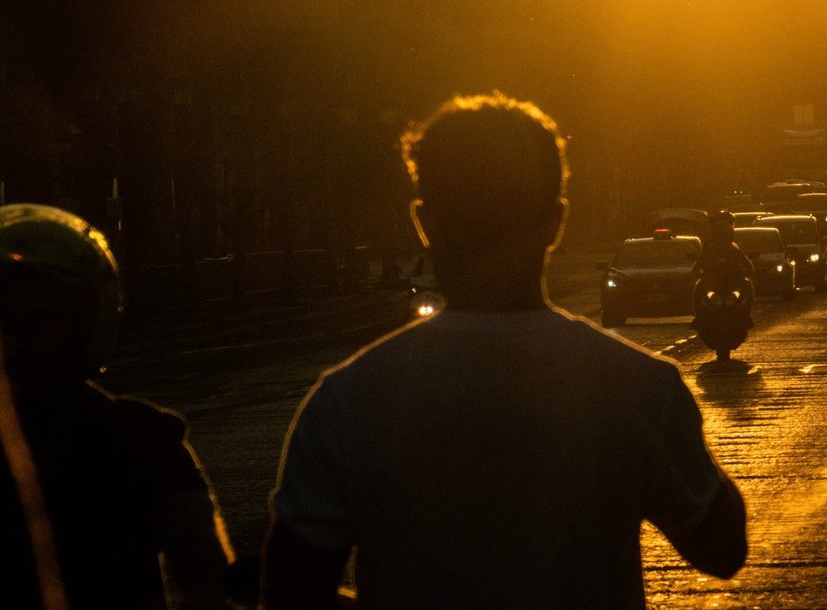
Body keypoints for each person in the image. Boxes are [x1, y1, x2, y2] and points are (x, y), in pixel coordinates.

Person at [262, 93, 746, 609]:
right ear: (556, 222)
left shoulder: (347, 400)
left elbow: (292, 592)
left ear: (423, 221)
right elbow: (721, 548)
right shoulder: (638, 386)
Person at [0, 204, 232, 610]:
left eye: (38, 325)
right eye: (4, 323)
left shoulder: (141, 440)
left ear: (84, 326)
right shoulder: (140, 437)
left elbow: (204, 572)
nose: (15, 343)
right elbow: (207, 574)